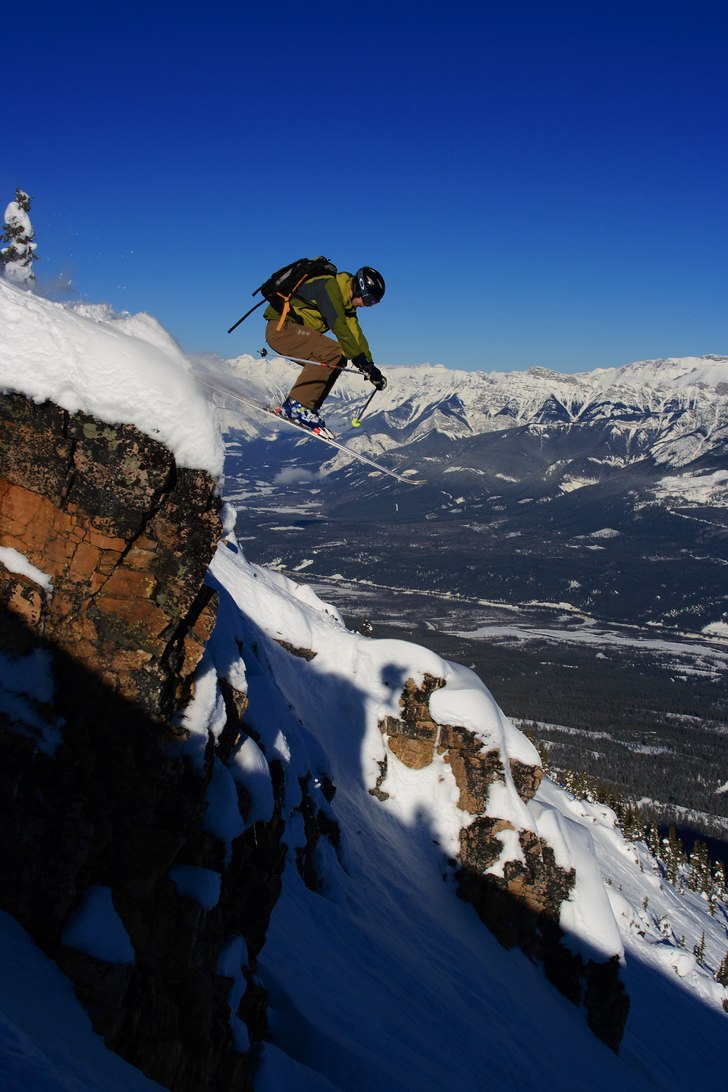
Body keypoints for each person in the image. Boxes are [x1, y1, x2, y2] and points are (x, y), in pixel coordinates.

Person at [263, 265, 386, 436]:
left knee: (340, 359)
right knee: (333, 352)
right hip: (281, 329)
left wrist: (371, 368)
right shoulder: (329, 287)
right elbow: (339, 327)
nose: (368, 306)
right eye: (368, 300)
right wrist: (359, 361)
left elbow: (355, 335)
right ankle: (297, 406)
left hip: (293, 332)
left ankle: (308, 409)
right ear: (359, 289)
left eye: (373, 303)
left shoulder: (348, 305)